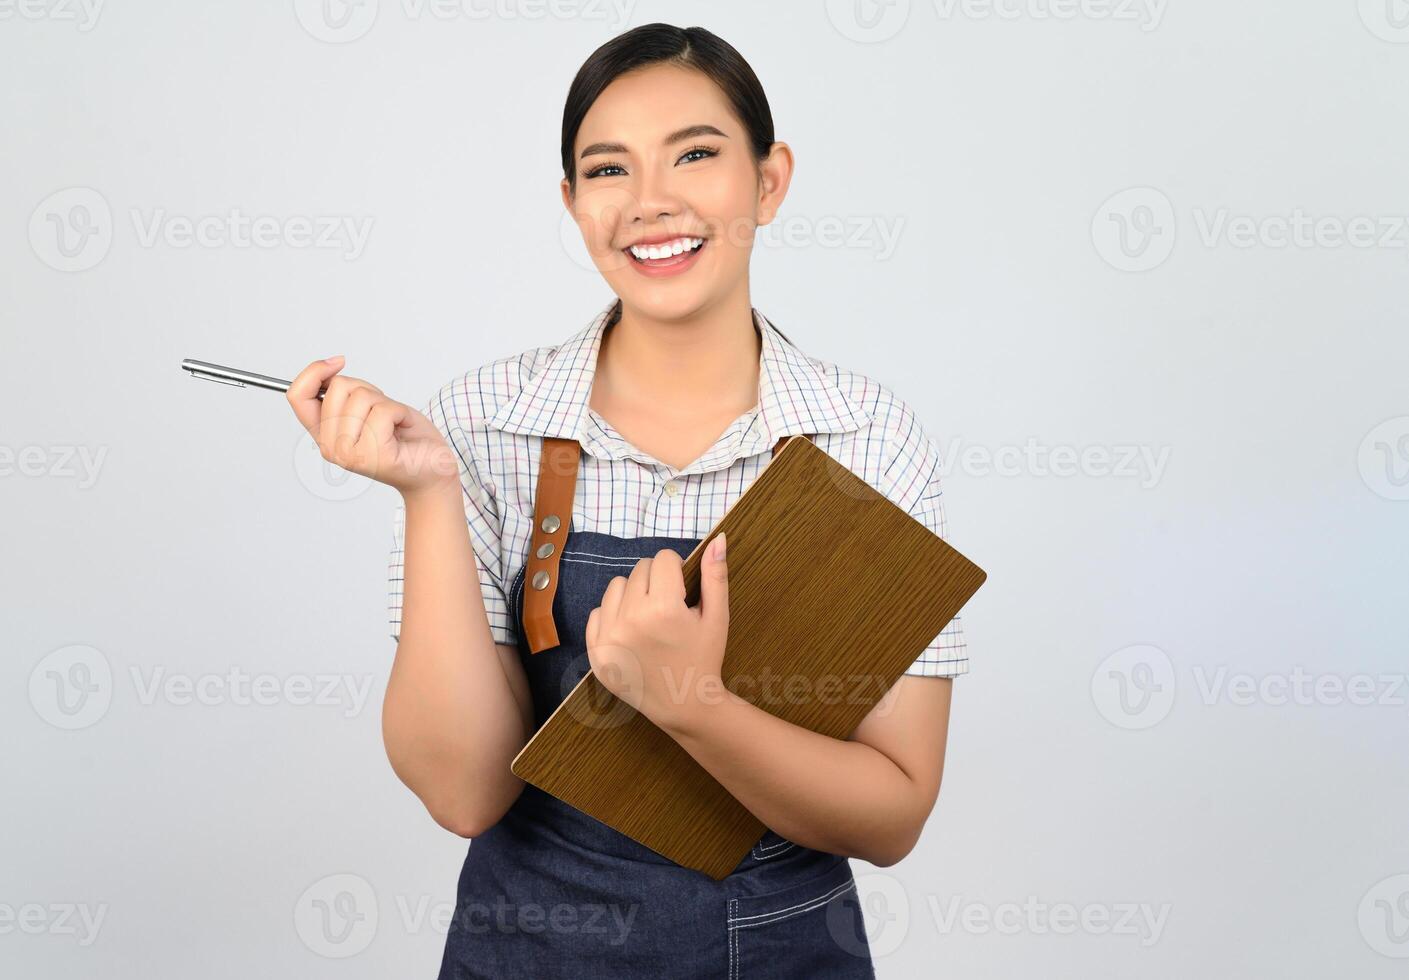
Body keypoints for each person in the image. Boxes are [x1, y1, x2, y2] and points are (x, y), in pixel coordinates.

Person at [287, 23, 969, 979]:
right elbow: (463, 793)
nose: (651, 203)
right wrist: (428, 492)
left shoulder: (866, 437)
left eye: (695, 153)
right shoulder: (483, 424)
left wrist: (692, 703)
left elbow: (894, 815)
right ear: (572, 203)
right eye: (608, 171)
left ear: (768, 180)